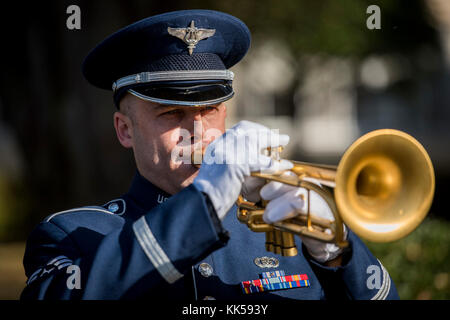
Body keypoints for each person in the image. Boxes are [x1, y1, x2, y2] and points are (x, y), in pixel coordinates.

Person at [20, 9, 399, 300]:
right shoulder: (72, 235)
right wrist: (206, 201)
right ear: (124, 129)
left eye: (210, 110)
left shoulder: (286, 225)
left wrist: (336, 254)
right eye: (171, 113)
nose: (199, 131)